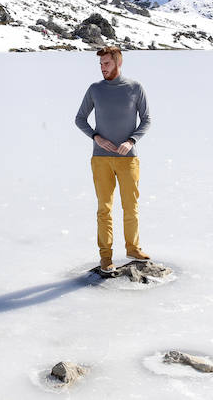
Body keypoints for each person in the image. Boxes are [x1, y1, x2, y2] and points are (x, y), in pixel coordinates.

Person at [74, 46, 151, 272]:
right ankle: (106, 257)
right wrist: (96, 136)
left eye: (106, 64)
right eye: (100, 64)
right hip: (101, 159)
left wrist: (132, 141)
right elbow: (80, 119)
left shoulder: (135, 88)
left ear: (118, 63)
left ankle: (133, 248)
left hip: (128, 159)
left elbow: (146, 119)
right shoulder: (95, 89)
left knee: (131, 206)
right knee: (104, 209)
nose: (102, 68)